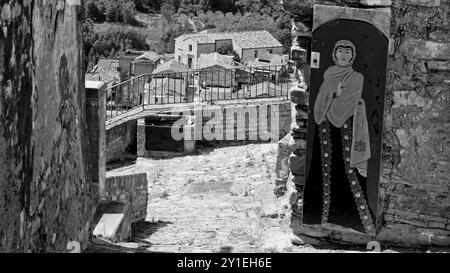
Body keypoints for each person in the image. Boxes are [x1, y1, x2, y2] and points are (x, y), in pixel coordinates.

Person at [312, 40, 374, 234]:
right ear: (334, 54)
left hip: (348, 131)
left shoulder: (357, 77)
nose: (344, 55)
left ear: (353, 55)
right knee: (326, 172)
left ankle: (356, 220)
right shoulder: (328, 75)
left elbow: (348, 101)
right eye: (341, 51)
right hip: (326, 133)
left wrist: (336, 97)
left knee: (349, 172)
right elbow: (319, 106)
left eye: (348, 51)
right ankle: (321, 216)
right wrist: (332, 92)